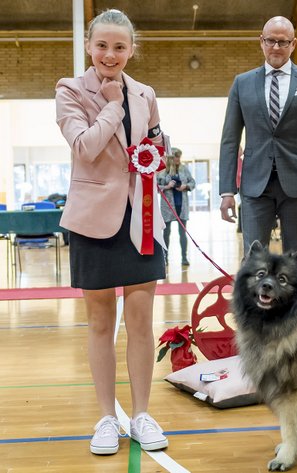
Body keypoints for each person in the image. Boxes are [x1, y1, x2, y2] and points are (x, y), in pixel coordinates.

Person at [55, 9, 168, 456]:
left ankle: (141, 414)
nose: (110, 54)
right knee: (101, 323)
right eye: (102, 45)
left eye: (120, 47)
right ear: (88, 46)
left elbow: (157, 145)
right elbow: (84, 146)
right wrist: (112, 104)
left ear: (131, 50)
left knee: (141, 322)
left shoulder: (146, 93)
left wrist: (157, 150)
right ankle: (106, 418)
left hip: (140, 217)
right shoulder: (69, 90)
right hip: (92, 220)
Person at [219, 16, 297, 256]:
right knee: (254, 263)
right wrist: (227, 190)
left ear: (293, 44)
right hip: (255, 186)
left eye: (283, 42)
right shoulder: (242, 83)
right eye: (271, 40)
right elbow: (230, 141)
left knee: (295, 261)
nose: (276, 47)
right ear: (261, 41)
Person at [157, 148, 196, 266]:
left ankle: (184, 258)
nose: (178, 159)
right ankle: (165, 258)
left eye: (179, 156)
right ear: (170, 158)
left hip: (182, 207)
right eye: (176, 156)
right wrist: (167, 186)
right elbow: (155, 187)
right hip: (167, 207)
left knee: (182, 233)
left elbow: (193, 182)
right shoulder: (162, 171)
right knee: (166, 233)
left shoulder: (184, 169)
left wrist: (185, 186)